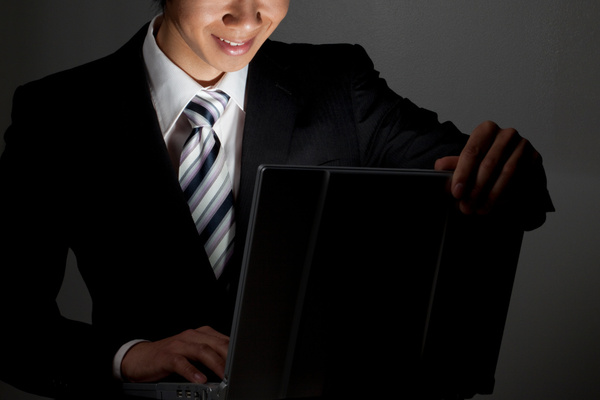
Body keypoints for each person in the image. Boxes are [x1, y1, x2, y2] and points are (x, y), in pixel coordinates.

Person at [0, 0, 553, 398]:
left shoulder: (339, 84)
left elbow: (479, 175)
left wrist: (510, 171)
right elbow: (9, 324)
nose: (248, 16)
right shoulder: (58, 114)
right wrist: (128, 357)